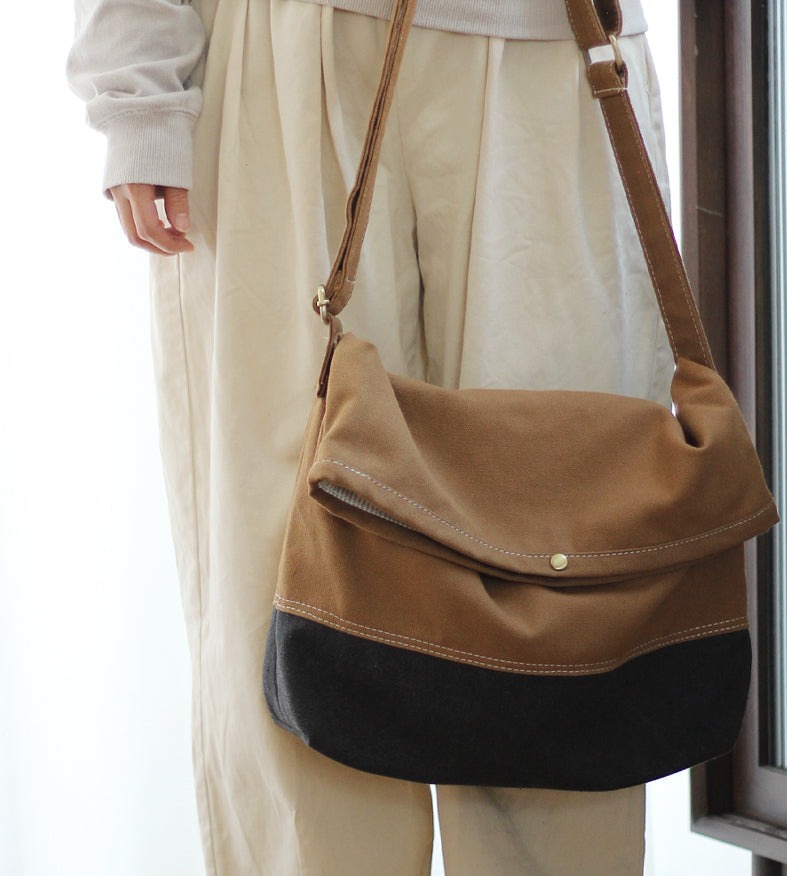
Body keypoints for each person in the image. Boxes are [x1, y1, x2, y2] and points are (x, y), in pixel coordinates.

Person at [67, 1, 674, 873]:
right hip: (289, 51)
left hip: (551, 53)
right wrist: (139, 93)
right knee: (296, 592)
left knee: (561, 573)